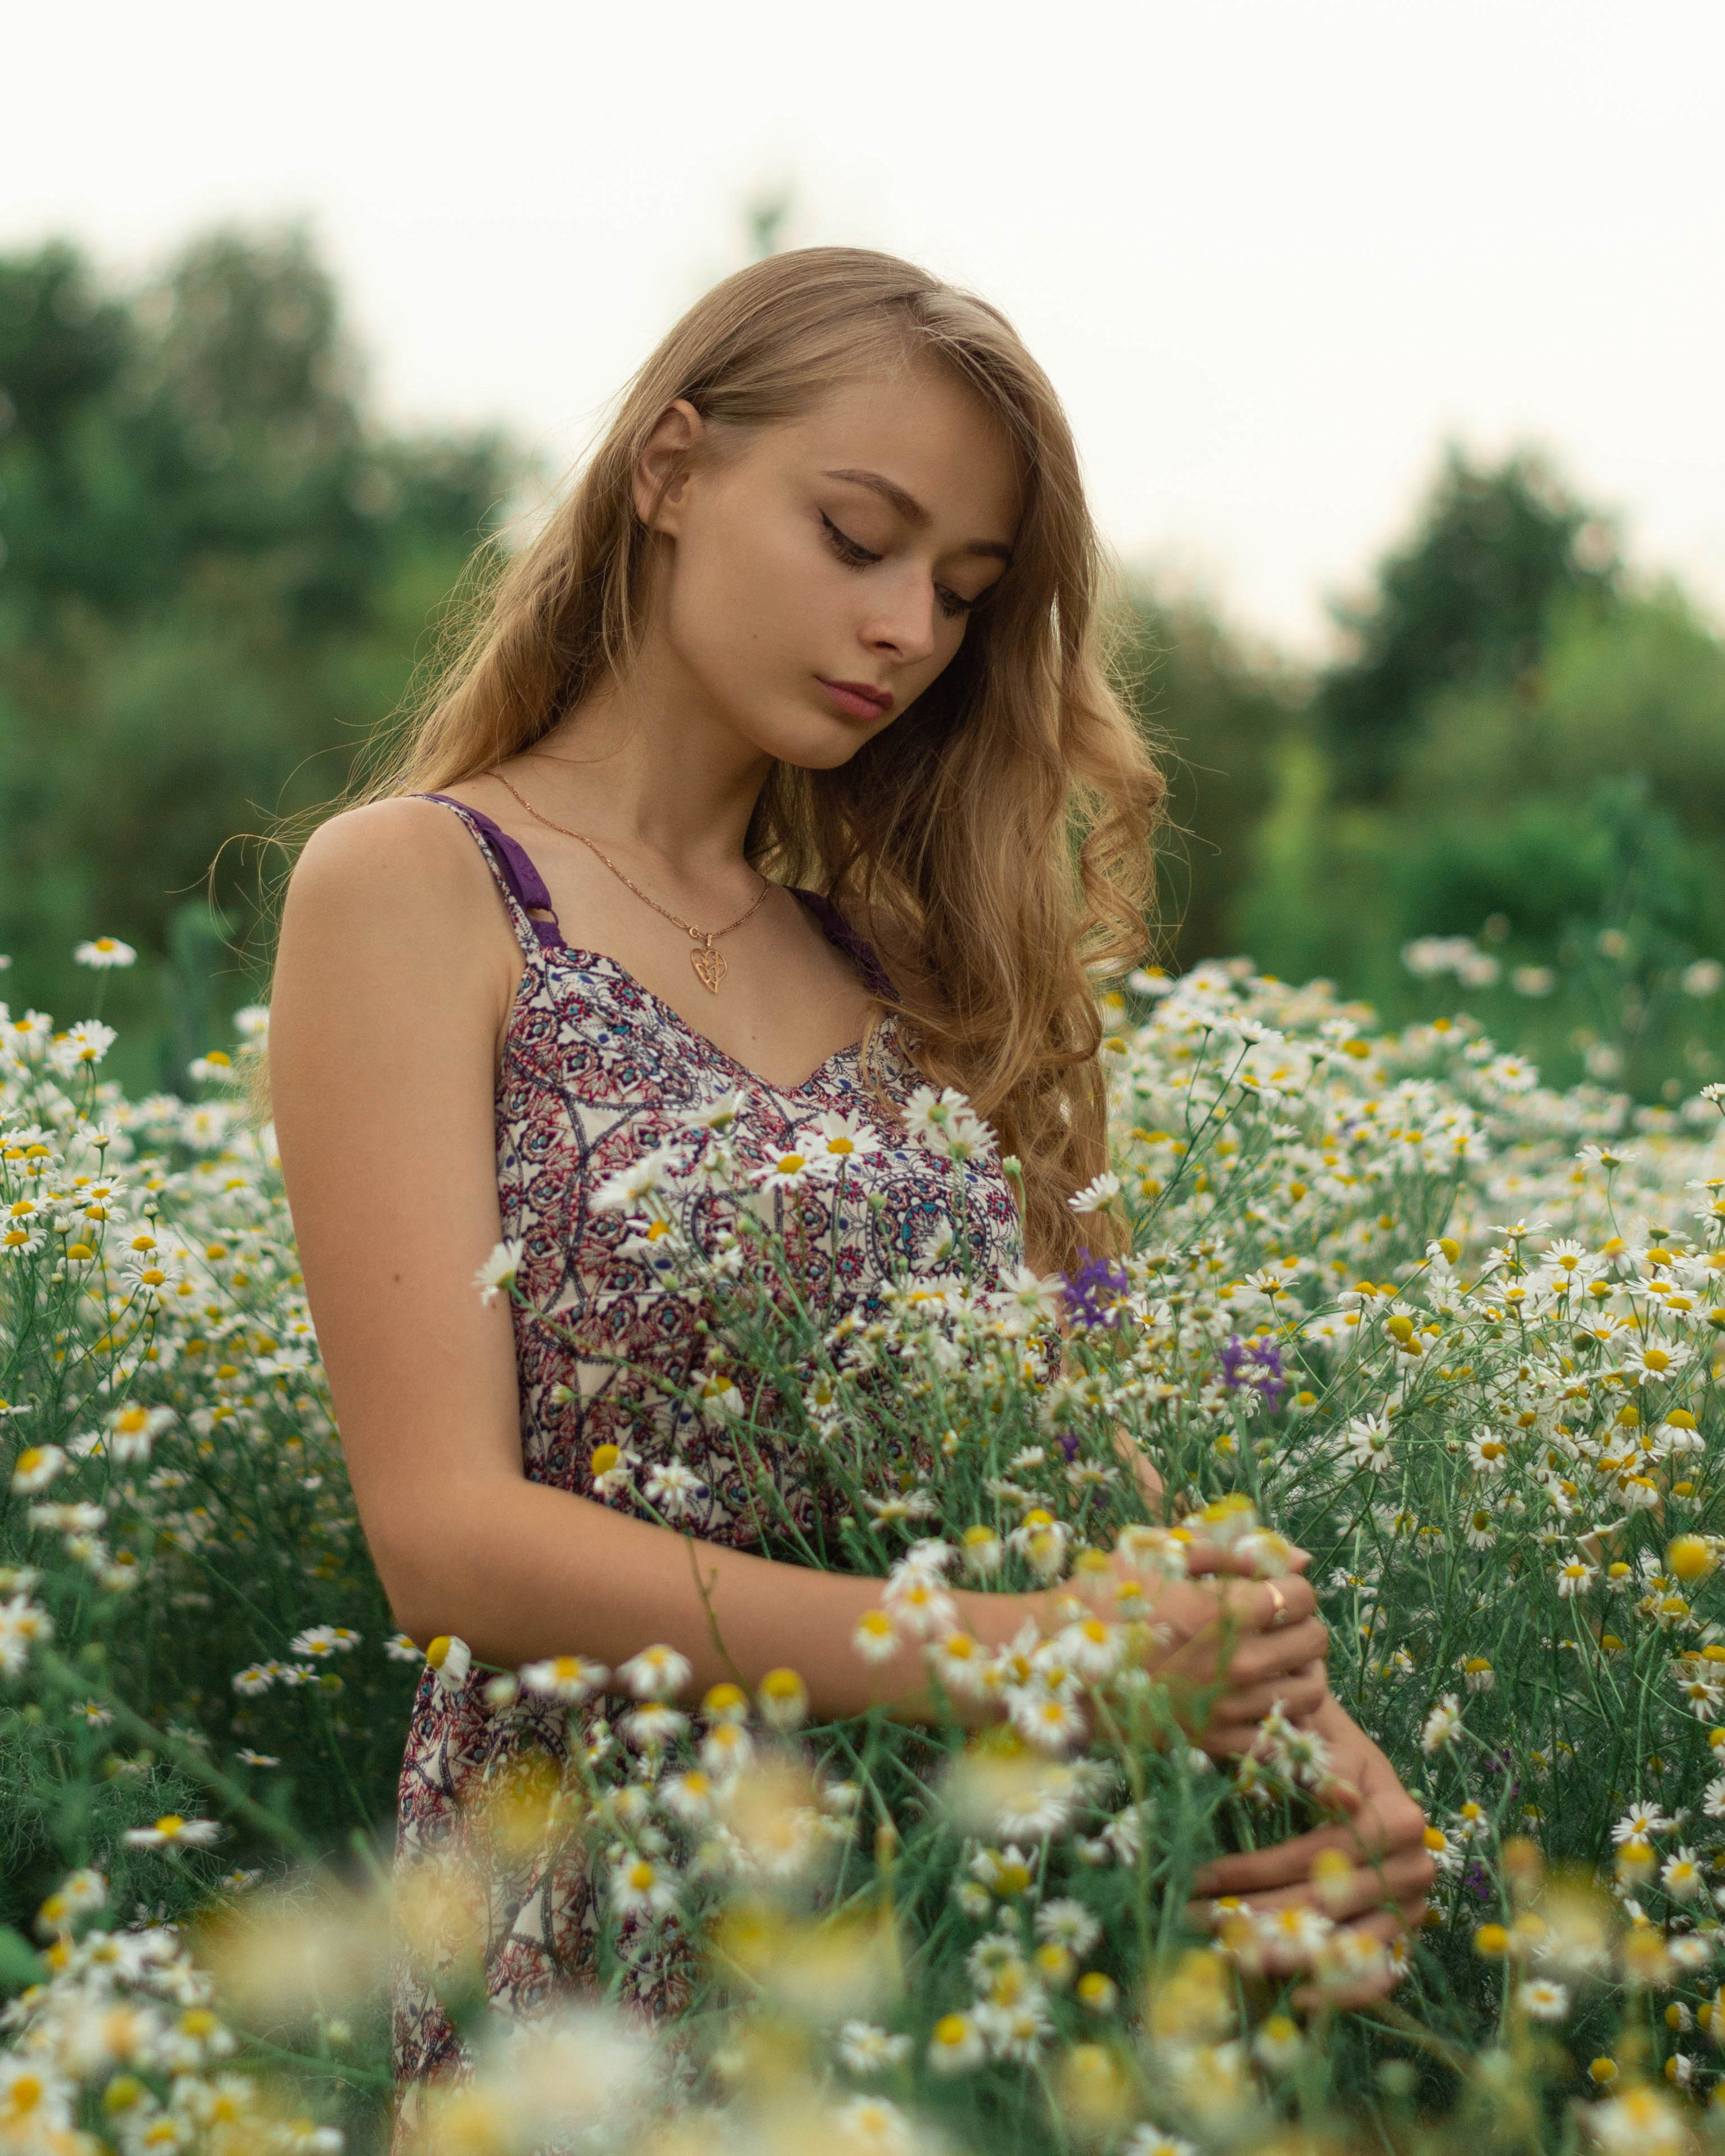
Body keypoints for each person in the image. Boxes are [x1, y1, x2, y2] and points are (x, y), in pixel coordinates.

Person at [264, 248, 1433, 2109]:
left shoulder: (926, 960)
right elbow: (447, 1544)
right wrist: (1024, 1656)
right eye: (859, 536)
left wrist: (1314, 1745)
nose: (908, 627)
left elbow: (1084, 1450)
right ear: (669, 469)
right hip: (614, 1932)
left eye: (964, 594)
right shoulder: (422, 890)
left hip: (995, 1926)